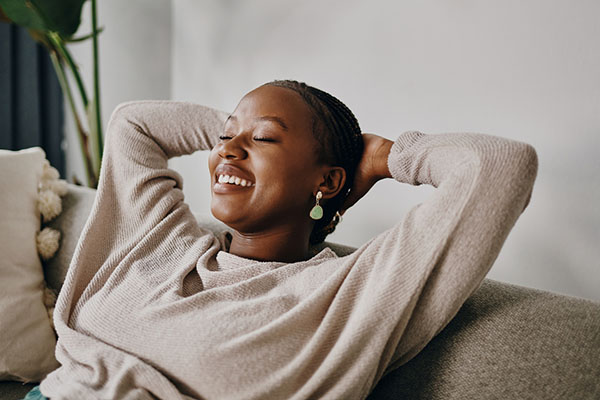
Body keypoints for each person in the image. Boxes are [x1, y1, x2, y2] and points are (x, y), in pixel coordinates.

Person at [35, 80, 538, 399]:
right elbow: (134, 124)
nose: (227, 151)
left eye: (266, 139)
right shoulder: (162, 240)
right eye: (224, 139)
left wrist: (383, 158)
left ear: (329, 180)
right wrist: (240, 134)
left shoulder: (349, 295)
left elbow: (499, 166)